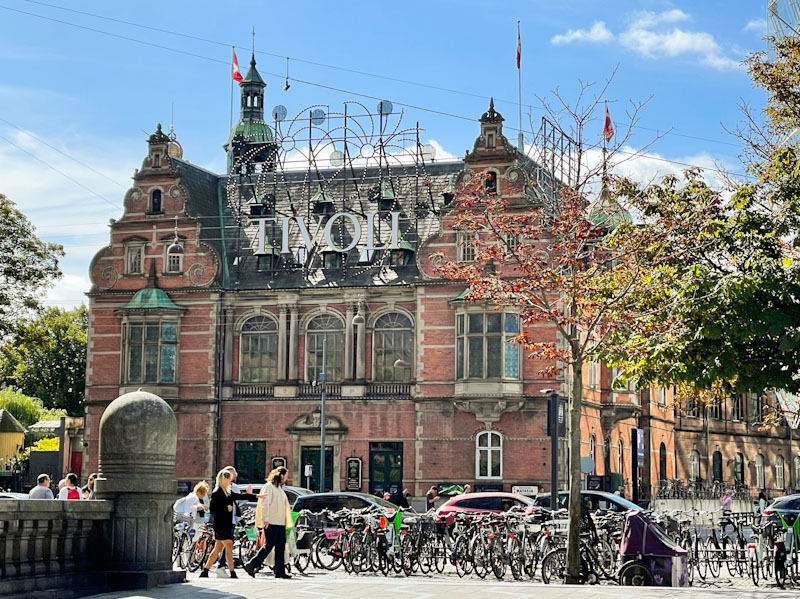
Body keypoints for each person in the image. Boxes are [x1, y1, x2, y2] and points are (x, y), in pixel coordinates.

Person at [198, 469, 256, 578]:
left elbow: (240, 496)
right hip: (220, 525)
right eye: (228, 478)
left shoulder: (228, 492)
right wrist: (226, 508)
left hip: (227, 524)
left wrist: (256, 496)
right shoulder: (217, 493)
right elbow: (214, 510)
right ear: (223, 479)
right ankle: (232, 572)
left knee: (218, 548)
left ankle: (205, 571)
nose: (230, 480)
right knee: (229, 545)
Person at [243, 467, 293, 579]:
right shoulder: (268, 487)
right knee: (268, 546)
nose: (286, 478)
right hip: (271, 521)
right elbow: (265, 504)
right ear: (281, 475)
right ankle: (251, 564)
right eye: (285, 476)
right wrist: (265, 519)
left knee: (280, 547)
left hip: (280, 522)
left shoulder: (279, 488)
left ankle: (279, 571)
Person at [215, 466, 252, 572]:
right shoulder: (222, 487)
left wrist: (248, 495)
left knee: (223, 544)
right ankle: (220, 566)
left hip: (231, 519)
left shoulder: (233, 487)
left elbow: (238, 502)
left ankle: (219, 566)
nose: (233, 475)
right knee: (227, 543)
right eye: (230, 474)